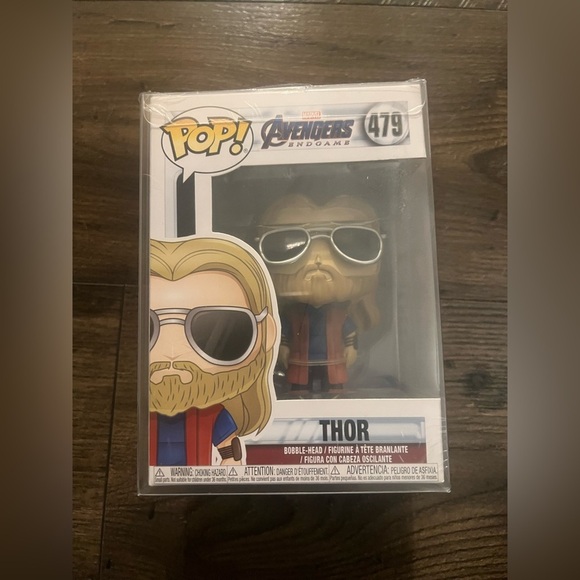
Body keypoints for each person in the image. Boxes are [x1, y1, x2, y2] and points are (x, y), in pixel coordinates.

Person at [148, 237, 278, 466]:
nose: (172, 354)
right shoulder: (138, 414)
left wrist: (230, 468)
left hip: (198, 481)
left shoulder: (213, 414)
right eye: (146, 328)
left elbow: (229, 449)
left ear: (265, 332)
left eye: (209, 328)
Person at [257, 194, 382, 393]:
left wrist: (351, 347)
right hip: (299, 360)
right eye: (288, 241)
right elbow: (285, 334)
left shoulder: (340, 314)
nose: (318, 259)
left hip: (333, 361)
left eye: (350, 242)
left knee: (333, 384)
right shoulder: (293, 315)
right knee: (300, 384)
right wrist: (283, 348)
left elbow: (350, 333)